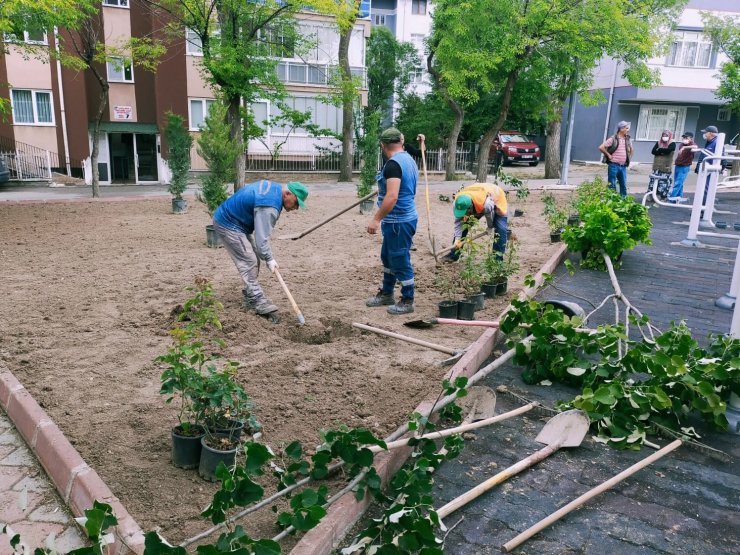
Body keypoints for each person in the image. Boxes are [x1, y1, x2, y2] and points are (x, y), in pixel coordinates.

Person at [212, 180, 308, 315]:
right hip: (229, 223)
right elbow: (261, 241)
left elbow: (260, 240)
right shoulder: (269, 207)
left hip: (237, 223)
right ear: (287, 194)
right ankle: (258, 300)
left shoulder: (275, 192)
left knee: (254, 259)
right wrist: (269, 259)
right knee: (249, 261)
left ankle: (250, 294)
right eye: (297, 203)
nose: (296, 208)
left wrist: (266, 257)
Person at [366, 127, 419, 315]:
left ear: (382, 145)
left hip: (398, 220)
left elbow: (392, 197)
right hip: (400, 219)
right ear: (401, 141)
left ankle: (407, 300)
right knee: (388, 257)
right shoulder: (408, 159)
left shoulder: (393, 165)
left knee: (399, 259)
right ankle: (387, 293)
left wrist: (376, 219)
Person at [442, 183, 508, 263]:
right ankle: (454, 255)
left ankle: (497, 261)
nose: (463, 214)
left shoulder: (486, 204)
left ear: (470, 208)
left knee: (500, 229)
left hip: (496, 197)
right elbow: (458, 222)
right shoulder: (458, 203)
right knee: (464, 226)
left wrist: (490, 227)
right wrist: (457, 239)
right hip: (478, 194)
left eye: (465, 212)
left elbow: (489, 215)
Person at [598, 121, 634, 197]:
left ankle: (623, 202)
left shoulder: (627, 139)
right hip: (613, 165)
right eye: (626, 128)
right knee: (612, 184)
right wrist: (608, 155)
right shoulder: (613, 138)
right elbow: (601, 147)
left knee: (623, 185)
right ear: (621, 129)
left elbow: (632, 150)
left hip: (623, 166)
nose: (628, 130)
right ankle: (611, 200)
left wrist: (628, 158)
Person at [694, 126, 719, 207]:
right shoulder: (709, 142)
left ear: (711, 133)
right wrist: (698, 167)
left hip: (709, 171)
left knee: (705, 190)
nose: (704, 134)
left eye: (706, 132)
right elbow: (704, 154)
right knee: (702, 189)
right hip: (704, 170)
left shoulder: (716, 143)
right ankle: (701, 208)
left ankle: (703, 210)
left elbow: (721, 157)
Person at [669, 131, 695, 202]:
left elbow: (695, 147)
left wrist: (685, 148)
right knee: (679, 182)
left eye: (686, 137)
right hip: (678, 165)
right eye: (683, 137)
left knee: (678, 182)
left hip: (685, 166)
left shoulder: (691, 144)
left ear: (691, 138)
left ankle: (672, 198)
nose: (684, 139)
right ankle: (678, 197)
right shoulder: (681, 144)